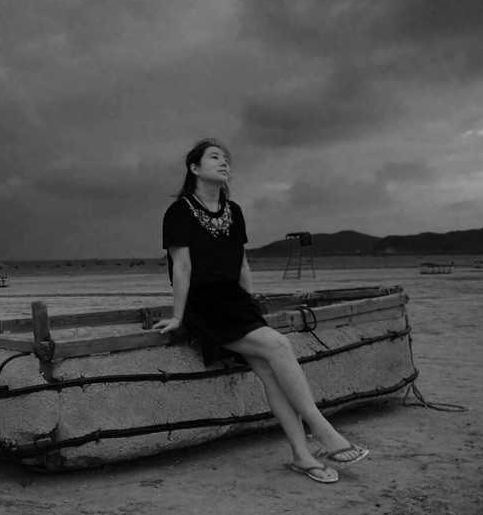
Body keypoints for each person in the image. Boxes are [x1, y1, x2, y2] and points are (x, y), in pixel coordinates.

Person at [153, 138, 369, 484]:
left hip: (236, 301)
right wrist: (179, 317)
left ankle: (301, 456)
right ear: (194, 168)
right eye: (214, 157)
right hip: (204, 304)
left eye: (226, 158)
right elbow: (181, 267)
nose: (224, 162)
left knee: (269, 371)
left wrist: (249, 300)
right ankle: (323, 431)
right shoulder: (179, 212)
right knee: (279, 346)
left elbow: (242, 263)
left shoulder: (234, 211)